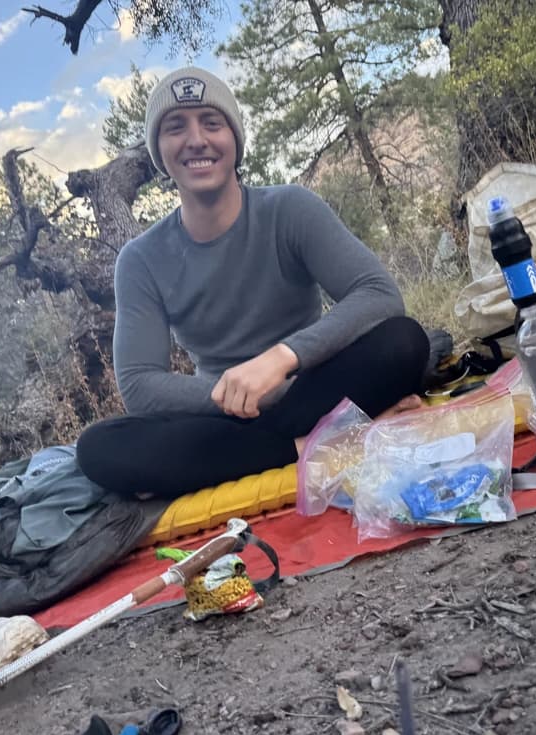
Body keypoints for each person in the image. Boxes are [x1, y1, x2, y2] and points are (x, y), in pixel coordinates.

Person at [76, 66, 430, 499]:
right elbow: (139, 385)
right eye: (175, 128)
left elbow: (379, 295)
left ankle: (265, 450)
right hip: (221, 414)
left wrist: (282, 360)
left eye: (212, 122)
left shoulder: (290, 209)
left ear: (235, 139)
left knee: (403, 342)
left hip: (307, 389)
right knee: (98, 449)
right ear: (159, 152)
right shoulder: (141, 260)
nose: (196, 140)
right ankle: (309, 444)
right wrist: (235, 395)